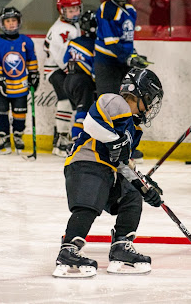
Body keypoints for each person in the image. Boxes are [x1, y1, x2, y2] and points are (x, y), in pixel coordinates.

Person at [52, 68, 164, 278]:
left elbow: (121, 162)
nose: (150, 106)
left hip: (107, 172)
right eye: (150, 99)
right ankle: (68, 249)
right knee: (89, 201)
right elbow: (90, 123)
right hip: (85, 163)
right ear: (141, 94)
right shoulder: (115, 102)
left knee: (131, 194)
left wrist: (143, 185)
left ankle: (122, 247)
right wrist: (115, 140)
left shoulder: (134, 129)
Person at [95, 0, 150, 162]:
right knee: (109, 104)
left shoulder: (130, 10)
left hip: (122, 63)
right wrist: (128, 59)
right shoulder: (106, 9)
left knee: (128, 105)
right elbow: (110, 42)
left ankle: (126, 146)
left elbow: (126, 41)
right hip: (107, 64)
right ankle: (105, 146)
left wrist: (133, 55)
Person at [0, 6, 39, 154]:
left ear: (19, 22)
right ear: (2, 23)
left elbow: (31, 59)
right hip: (3, 85)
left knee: (20, 112)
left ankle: (18, 136)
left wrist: (34, 74)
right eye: (8, 21)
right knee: (1, 112)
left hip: (20, 85)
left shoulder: (26, 42)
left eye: (14, 21)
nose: (11, 24)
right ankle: (4, 137)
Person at [44, 0, 82, 157]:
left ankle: (58, 139)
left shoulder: (73, 25)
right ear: (62, 11)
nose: (75, 13)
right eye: (70, 10)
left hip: (64, 68)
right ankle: (61, 141)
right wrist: (74, 73)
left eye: (76, 9)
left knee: (70, 102)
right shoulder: (60, 30)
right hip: (56, 69)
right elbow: (62, 59)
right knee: (65, 100)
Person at [63, 10, 97, 144]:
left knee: (79, 112)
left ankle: (79, 140)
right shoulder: (96, 44)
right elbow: (95, 71)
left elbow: (65, 61)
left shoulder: (73, 42)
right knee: (83, 114)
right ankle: (76, 144)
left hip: (68, 81)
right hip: (83, 82)